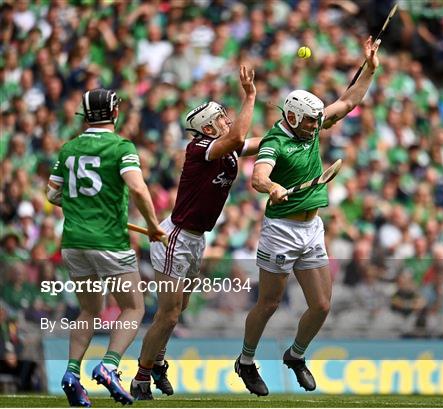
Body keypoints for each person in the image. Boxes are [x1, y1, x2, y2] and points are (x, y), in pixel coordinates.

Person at [235, 37, 380, 396]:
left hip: (311, 229)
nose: (318, 126)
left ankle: (296, 355)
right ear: (294, 117)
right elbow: (257, 175)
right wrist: (271, 188)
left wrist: (370, 68)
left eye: (318, 120)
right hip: (281, 231)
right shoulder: (275, 141)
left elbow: (348, 101)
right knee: (268, 303)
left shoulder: (309, 128)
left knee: (322, 304)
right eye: (311, 121)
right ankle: (246, 361)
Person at [130, 66, 260, 400]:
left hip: (197, 238)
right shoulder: (201, 146)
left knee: (180, 308)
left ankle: (156, 361)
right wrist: (251, 96)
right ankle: (142, 377)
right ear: (206, 127)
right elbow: (239, 138)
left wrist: (292, 134)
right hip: (176, 238)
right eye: (220, 118)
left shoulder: (225, 146)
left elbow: (253, 142)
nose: (226, 120)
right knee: (168, 313)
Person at [46, 88, 165, 407]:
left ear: (85, 116)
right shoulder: (121, 146)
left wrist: (80, 202)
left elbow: (52, 195)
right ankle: (109, 366)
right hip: (109, 241)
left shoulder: (68, 148)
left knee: (89, 309)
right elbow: (137, 187)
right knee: (134, 307)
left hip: (73, 242)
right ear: (114, 113)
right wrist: (153, 226)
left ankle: (72, 373)